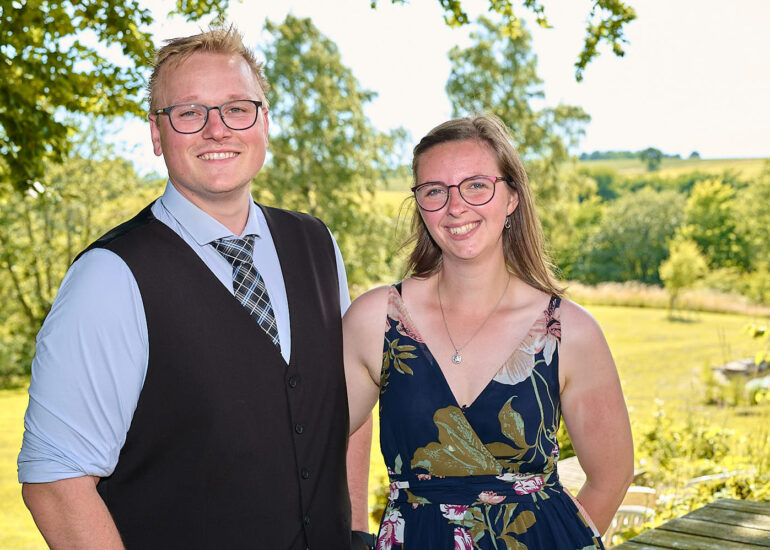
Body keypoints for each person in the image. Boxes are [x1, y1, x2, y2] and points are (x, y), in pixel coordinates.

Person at [18, 26, 371, 550]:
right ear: (156, 134)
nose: (216, 130)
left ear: (264, 122)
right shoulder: (110, 276)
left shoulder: (316, 243)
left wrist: (355, 533)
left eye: (237, 108)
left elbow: (345, 406)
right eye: (189, 113)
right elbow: (55, 480)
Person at [343, 114, 634, 548]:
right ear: (419, 204)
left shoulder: (568, 331)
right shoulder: (376, 321)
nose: (455, 206)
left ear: (512, 197)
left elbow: (612, 475)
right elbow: (311, 443)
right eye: (434, 190)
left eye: (477, 185)